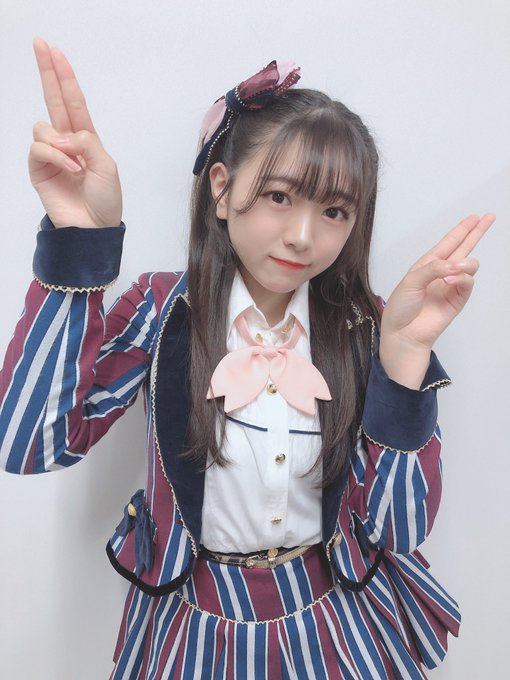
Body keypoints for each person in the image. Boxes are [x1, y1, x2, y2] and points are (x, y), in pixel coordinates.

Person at [0, 38, 494, 679]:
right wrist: (80, 245)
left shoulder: (365, 324)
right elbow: (28, 443)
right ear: (221, 188)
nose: (303, 236)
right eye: (279, 197)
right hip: (193, 622)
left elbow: (399, 529)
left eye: (334, 211)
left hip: (333, 620)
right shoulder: (161, 309)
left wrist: (405, 356)